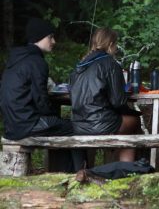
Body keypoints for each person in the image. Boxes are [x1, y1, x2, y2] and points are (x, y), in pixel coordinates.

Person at [0, 17, 84, 172]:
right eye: (50, 37)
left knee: (60, 127)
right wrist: (53, 116)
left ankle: (61, 173)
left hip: (11, 125)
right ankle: (80, 175)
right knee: (75, 127)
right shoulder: (37, 62)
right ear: (40, 37)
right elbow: (40, 99)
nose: (54, 41)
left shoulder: (17, 59)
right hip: (26, 125)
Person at [69, 27, 141, 162]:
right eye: (116, 45)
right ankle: (126, 170)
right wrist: (133, 112)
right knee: (133, 123)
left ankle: (96, 167)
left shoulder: (79, 66)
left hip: (78, 124)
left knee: (122, 123)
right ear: (110, 44)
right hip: (100, 124)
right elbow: (118, 101)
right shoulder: (111, 64)